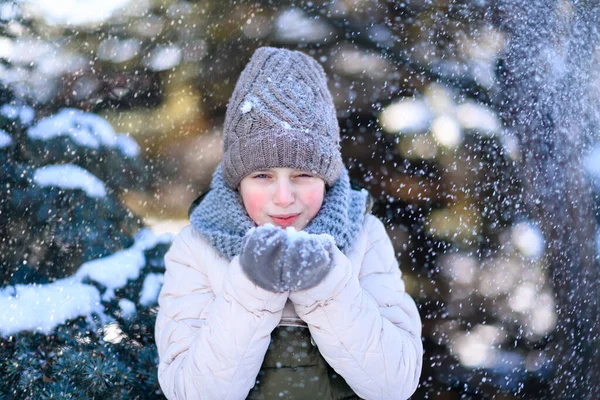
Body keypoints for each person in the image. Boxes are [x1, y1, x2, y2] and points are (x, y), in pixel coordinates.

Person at [155, 46, 423, 400]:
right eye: (263, 175)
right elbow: (192, 393)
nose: (283, 197)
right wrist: (254, 284)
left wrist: (326, 282)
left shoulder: (364, 236)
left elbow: (395, 384)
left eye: (303, 174)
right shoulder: (196, 247)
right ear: (238, 181)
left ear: (326, 178)